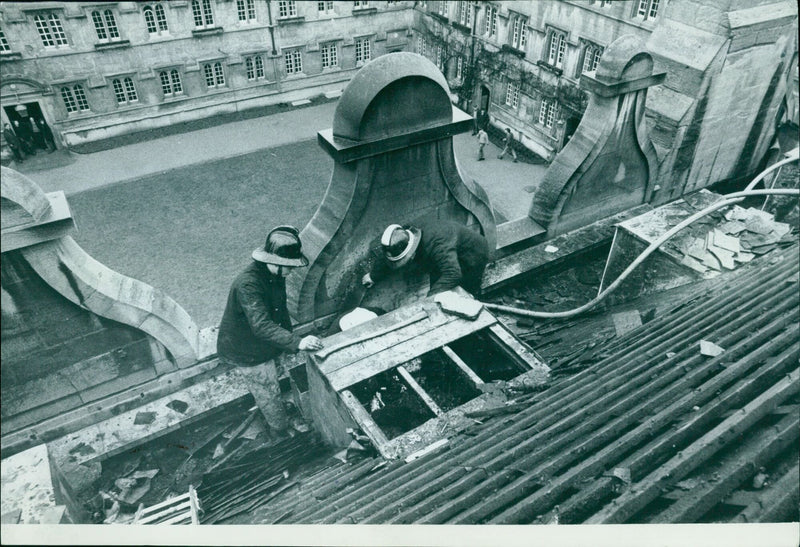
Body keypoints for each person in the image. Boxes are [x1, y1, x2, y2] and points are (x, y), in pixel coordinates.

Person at [217, 226, 324, 437]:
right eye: (289, 267)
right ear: (274, 262)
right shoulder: (248, 285)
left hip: (265, 343)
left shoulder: (275, 275)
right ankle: (279, 430)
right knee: (268, 392)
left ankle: (281, 415)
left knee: (275, 379)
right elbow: (261, 325)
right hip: (247, 350)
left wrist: (287, 343)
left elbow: (279, 310)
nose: (291, 271)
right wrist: (297, 342)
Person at [362, 218, 490, 297]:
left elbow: (453, 274)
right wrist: (373, 276)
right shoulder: (405, 234)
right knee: (438, 288)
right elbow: (387, 255)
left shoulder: (438, 244)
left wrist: (431, 297)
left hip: (473, 254)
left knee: (466, 291)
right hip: (448, 254)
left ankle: (475, 298)